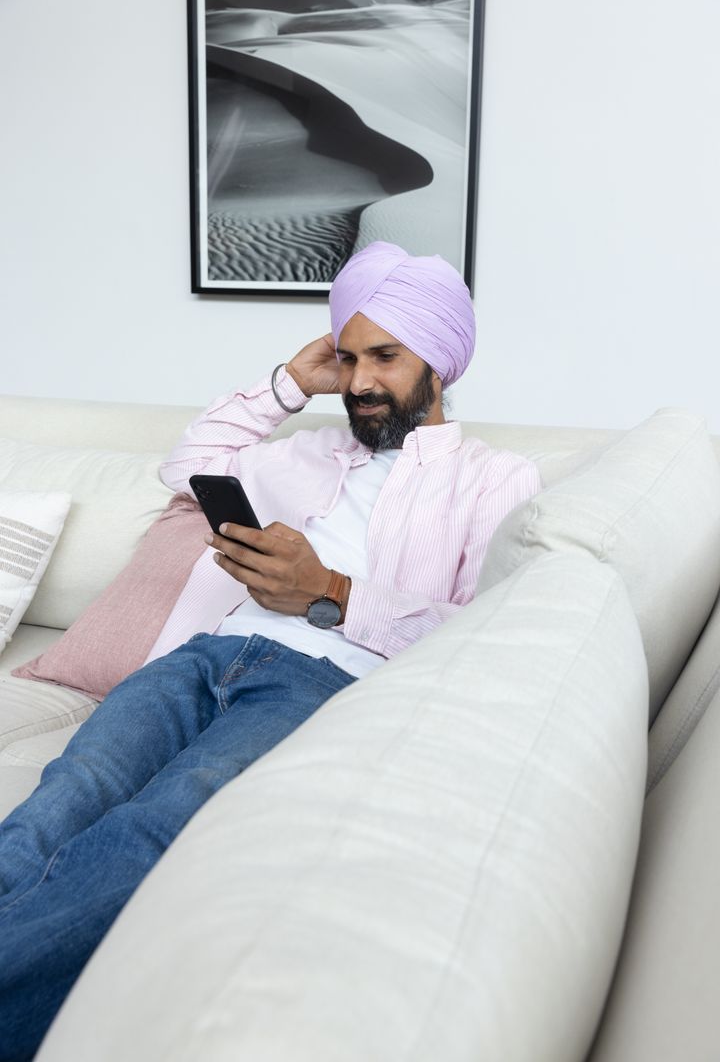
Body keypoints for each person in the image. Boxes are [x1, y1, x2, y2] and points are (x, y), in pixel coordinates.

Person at [0, 242, 541, 1059]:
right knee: (66, 793)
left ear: (441, 359)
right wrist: (290, 385)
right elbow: (186, 467)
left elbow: (478, 627)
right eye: (350, 356)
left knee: (159, 823)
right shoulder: (311, 449)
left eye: (385, 357)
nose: (360, 381)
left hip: (322, 680)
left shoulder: (497, 479)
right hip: (205, 657)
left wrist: (330, 589)